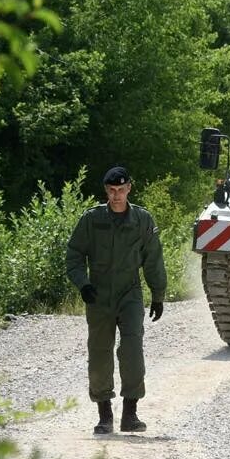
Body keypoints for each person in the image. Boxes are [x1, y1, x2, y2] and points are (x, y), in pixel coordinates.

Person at [66, 166, 167, 434]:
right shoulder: (92, 219)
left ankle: (130, 414)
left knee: (132, 349)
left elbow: (153, 259)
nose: (117, 195)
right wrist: (83, 284)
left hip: (129, 293)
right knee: (99, 353)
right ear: (106, 191)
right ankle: (104, 416)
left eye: (121, 190)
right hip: (98, 294)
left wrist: (158, 295)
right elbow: (74, 254)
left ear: (129, 189)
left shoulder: (142, 220)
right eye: (112, 191)